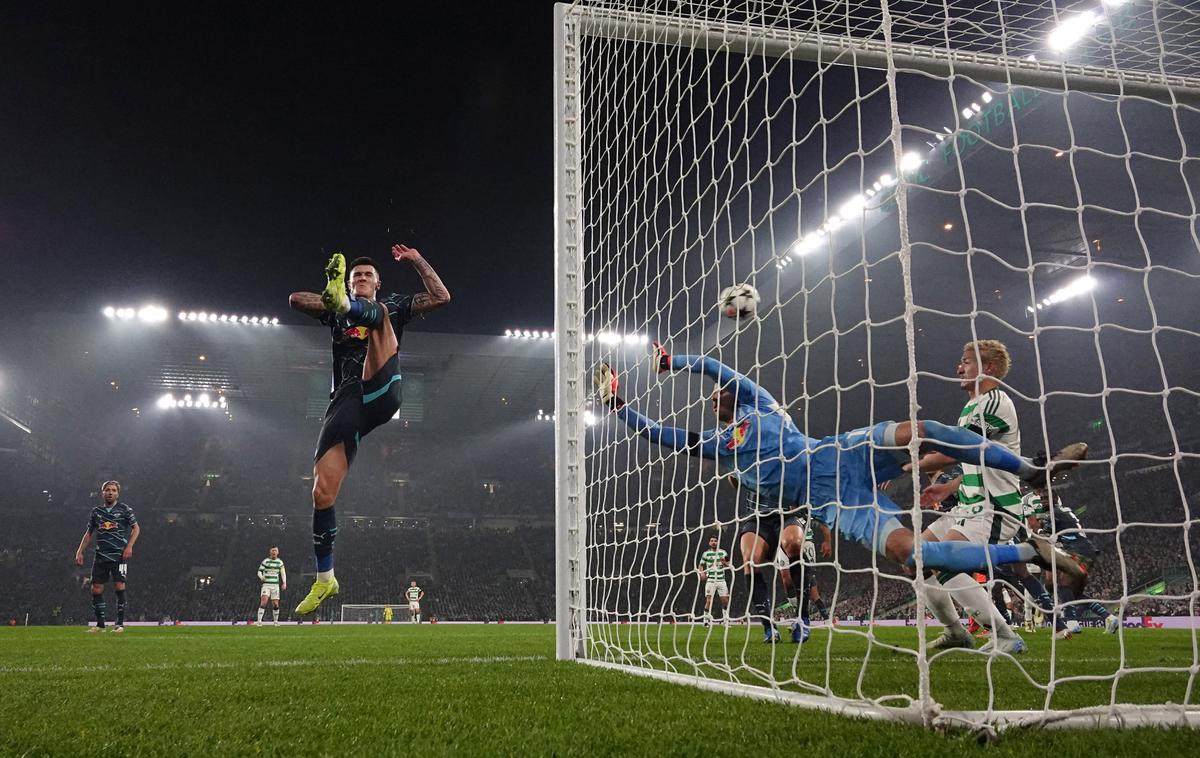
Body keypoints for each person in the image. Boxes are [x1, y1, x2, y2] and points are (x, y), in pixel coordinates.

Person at [592, 345, 1090, 646]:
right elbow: (656, 433)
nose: (716, 394)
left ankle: (1030, 470)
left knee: (920, 430)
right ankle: (1028, 552)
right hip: (835, 501)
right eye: (713, 398)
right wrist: (618, 404)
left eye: (720, 391)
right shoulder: (720, 447)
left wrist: (672, 362)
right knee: (908, 553)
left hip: (842, 452)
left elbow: (720, 369)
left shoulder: (761, 403)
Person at [288, 245, 450, 615]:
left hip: (381, 387)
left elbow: (442, 296)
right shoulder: (334, 312)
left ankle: (351, 307)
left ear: (377, 282)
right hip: (345, 401)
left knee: (380, 318)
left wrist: (417, 260)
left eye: (366, 276)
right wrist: (334, 303)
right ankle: (326, 578)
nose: (361, 278)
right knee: (321, 492)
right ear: (346, 284)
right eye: (354, 277)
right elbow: (295, 299)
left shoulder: (391, 304)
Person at [910, 340, 1032, 654]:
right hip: (970, 505)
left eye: (966, 361)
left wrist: (906, 465)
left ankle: (1006, 635)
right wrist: (950, 487)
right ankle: (956, 633)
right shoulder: (972, 406)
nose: (958, 368)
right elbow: (976, 459)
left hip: (995, 508)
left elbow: (962, 449)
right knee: (916, 560)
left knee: (943, 559)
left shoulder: (994, 401)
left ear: (988, 367)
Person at [1026, 486, 1121, 638]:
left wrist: (1033, 530)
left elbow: (1041, 530)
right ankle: (1108, 618)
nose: (1043, 501)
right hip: (1080, 550)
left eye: (1045, 498)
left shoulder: (1052, 513)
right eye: (1041, 499)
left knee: (1063, 584)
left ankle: (1072, 622)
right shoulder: (1063, 511)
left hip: (1079, 551)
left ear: (1054, 499)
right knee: (1071, 591)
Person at [74, 481, 140, 633]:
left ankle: (120, 624)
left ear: (118, 493)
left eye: (114, 490)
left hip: (119, 556)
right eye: (107, 490)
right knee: (96, 589)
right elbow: (89, 533)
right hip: (100, 556)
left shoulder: (124, 509)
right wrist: (80, 551)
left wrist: (129, 546)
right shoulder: (96, 512)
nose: (110, 492)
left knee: (119, 587)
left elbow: (136, 528)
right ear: (102, 493)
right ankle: (100, 625)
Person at [697, 535, 731, 625]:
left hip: (721, 580)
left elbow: (729, 564)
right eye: (712, 541)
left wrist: (724, 563)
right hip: (711, 580)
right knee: (708, 600)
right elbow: (700, 565)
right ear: (709, 543)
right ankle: (705, 620)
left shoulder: (723, 553)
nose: (713, 542)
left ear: (718, 542)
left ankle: (725, 620)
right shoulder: (706, 554)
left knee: (725, 601)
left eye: (715, 541)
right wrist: (702, 573)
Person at [256, 547, 287, 626]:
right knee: (264, 602)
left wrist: (284, 583)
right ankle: (259, 621)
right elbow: (259, 571)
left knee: (276, 604)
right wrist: (261, 577)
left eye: (275, 550)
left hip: (275, 586)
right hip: (266, 585)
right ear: (270, 552)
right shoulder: (266, 561)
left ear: (278, 552)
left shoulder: (280, 562)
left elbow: (283, 573)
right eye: (272, 550)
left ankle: (275, 622)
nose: (274, 552)